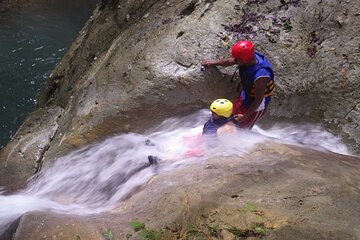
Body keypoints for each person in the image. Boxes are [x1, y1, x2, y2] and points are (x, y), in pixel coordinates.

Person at [202, 40, 274, 129]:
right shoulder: (249, 56)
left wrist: (244, 117)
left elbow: (258, 100)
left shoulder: (261, 76)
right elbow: (229, 61)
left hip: (256, 105)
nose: (235, 60)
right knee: (231, 117)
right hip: (246, 95)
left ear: (244, 59)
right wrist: (214, 63)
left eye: (237, 59)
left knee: (241, 129)